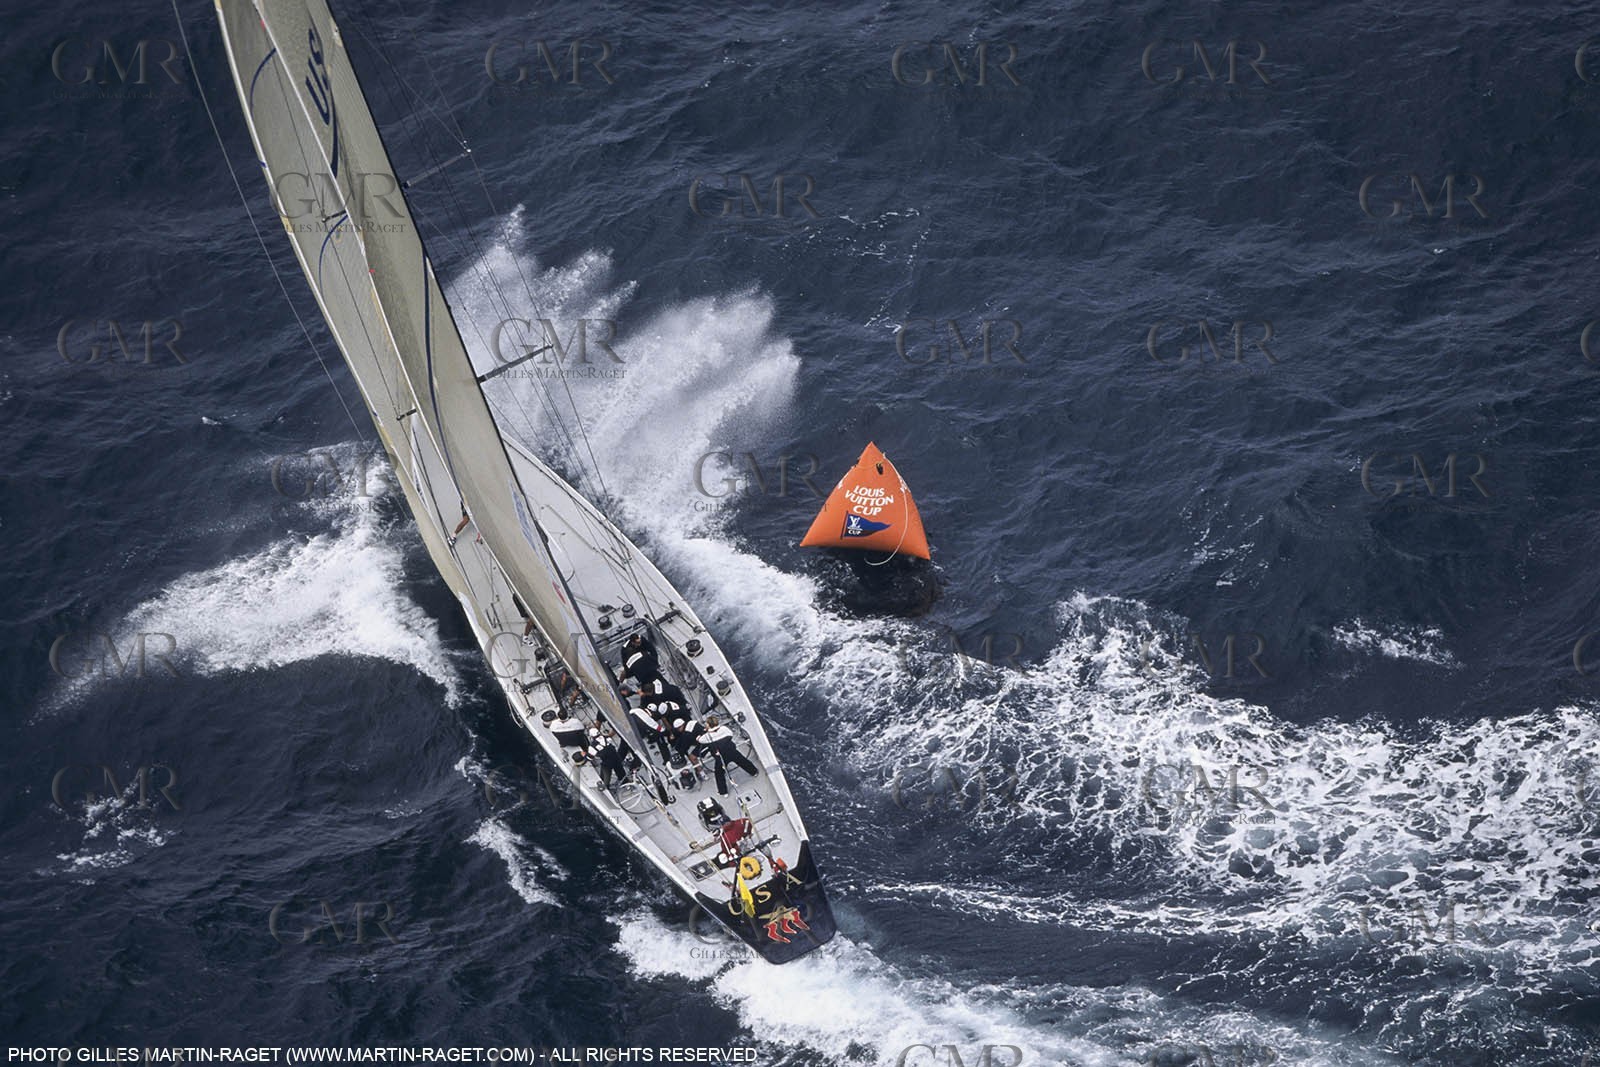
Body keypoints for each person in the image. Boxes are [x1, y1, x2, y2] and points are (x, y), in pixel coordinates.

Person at [696, 715, 759, 797]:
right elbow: (730, 734)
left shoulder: (706, 737)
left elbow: (699, 739)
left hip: (720, 757)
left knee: (719, 773)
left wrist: (704, 731)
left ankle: (723, 792)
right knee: (743, 761)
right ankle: (754, 772)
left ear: (709, 725)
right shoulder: (724, 729)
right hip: (732, 751)